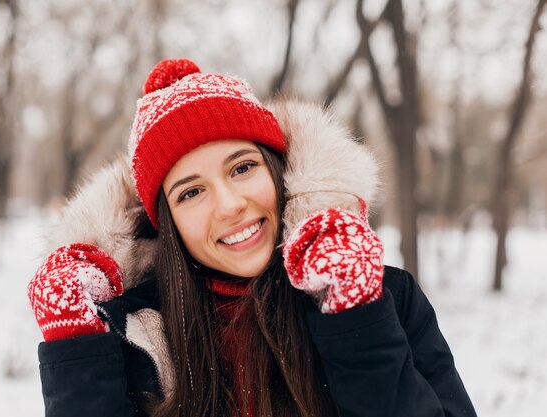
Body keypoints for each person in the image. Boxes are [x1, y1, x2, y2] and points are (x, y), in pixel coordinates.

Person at [27, 58, 477, 417]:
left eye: (242, 168)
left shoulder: (385, 299)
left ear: (278, 172)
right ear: (168, 225)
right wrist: (78, 348)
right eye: (192, 192)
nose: (229, 205)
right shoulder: (133, 332)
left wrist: (356, 319)